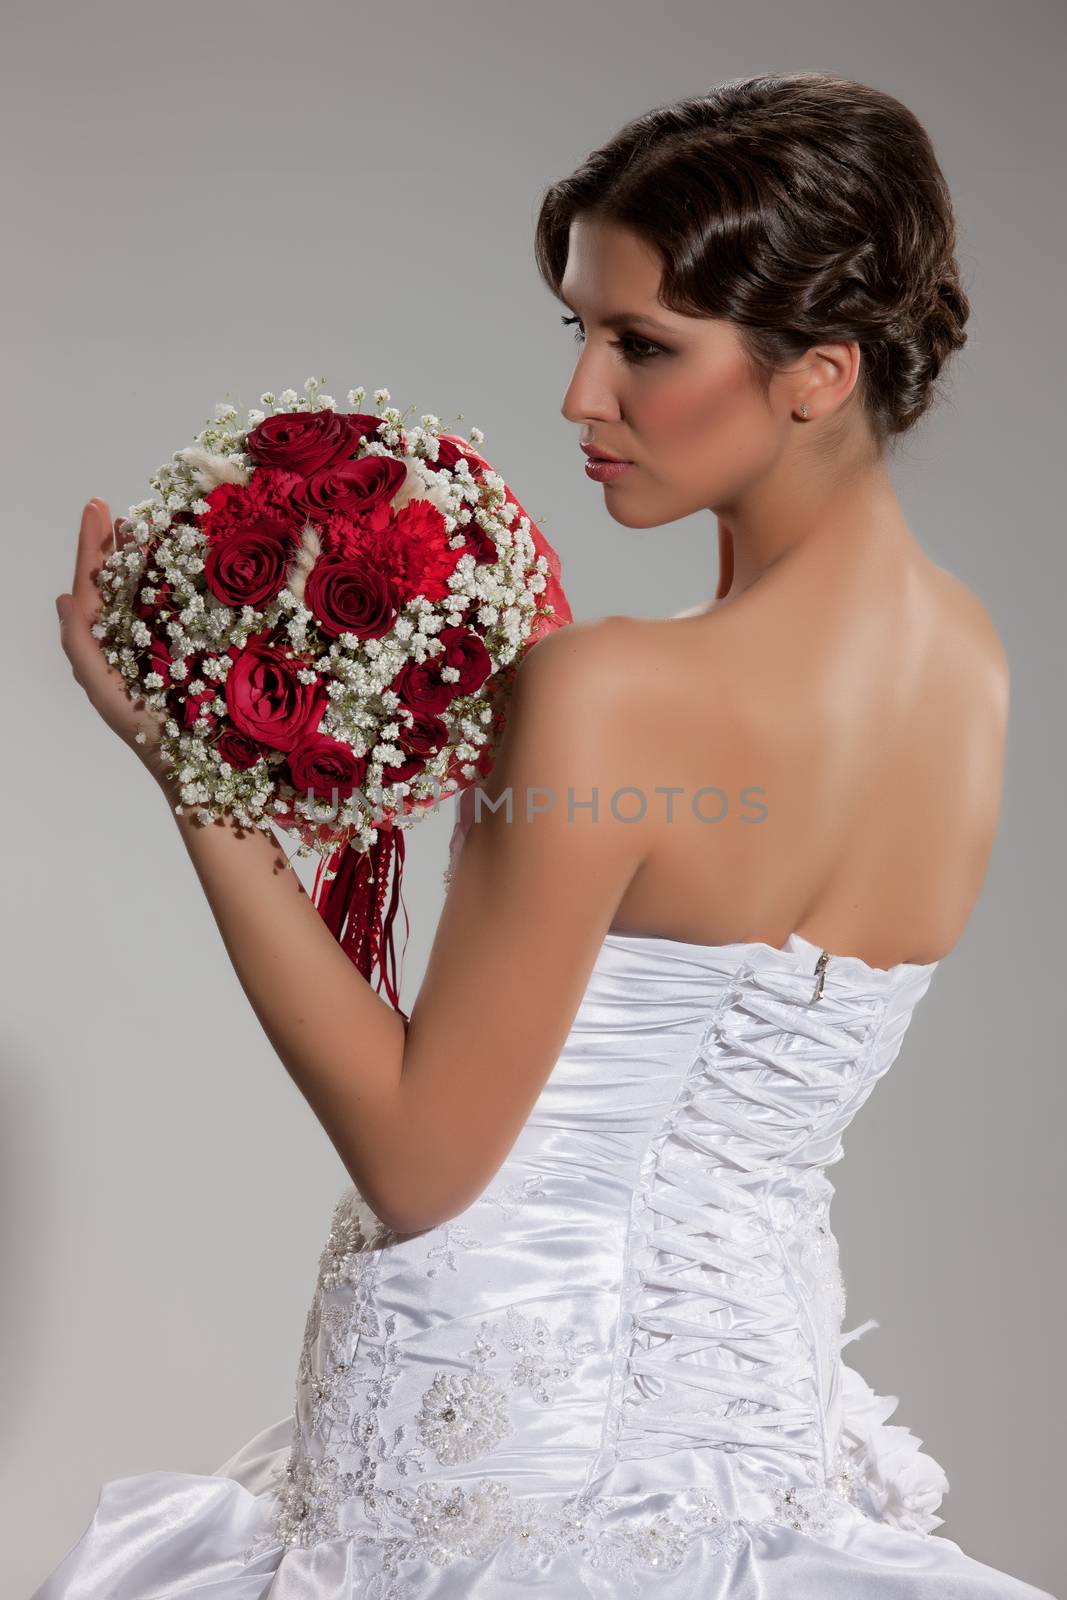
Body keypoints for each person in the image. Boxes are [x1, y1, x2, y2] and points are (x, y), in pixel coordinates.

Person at [40, 70, 1055, 1600]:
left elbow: (423, 1160)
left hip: (503, 1457)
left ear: (819, 373)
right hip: (757, 1441)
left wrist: (194, 775)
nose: (584, 396)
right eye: (576, 329)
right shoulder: (970, 664)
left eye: (643, 345)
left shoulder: (609, 697)